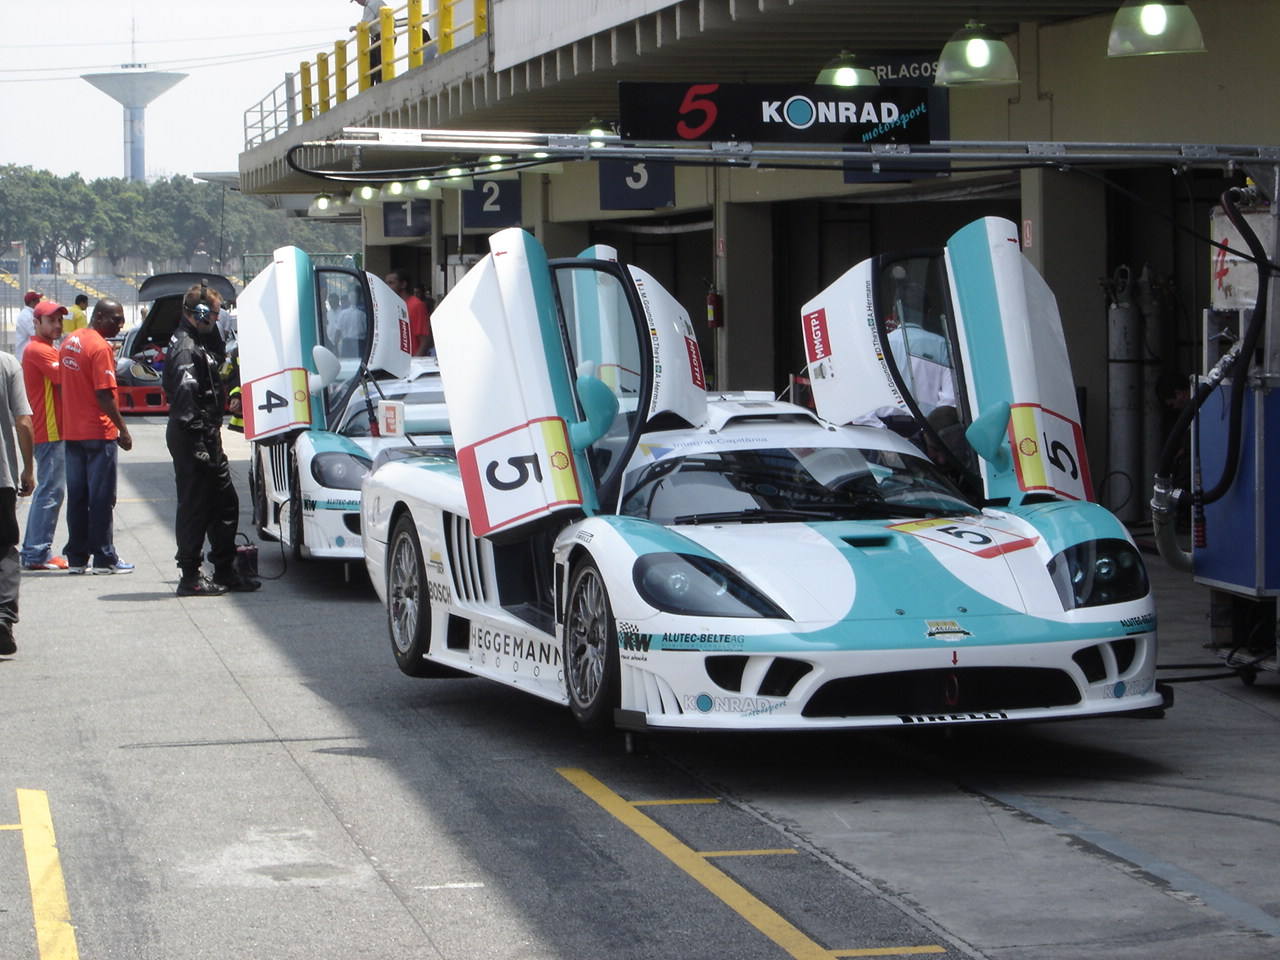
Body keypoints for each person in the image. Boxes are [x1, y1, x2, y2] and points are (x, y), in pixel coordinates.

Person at [163, 284, 260, 597]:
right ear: (201, 313)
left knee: (224, 502)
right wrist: (199, 446)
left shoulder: (200, 340)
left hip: (207, 433)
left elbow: (219, 358)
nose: (219, 320)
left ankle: (225, 569)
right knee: (195, 505)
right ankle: (190, 575)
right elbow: (185, 399)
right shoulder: (186, 348)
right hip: (193, 435)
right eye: (215, 314)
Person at [58, 298, 134, 575]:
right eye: (116, 319)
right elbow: (104, 394)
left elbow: (62, 386)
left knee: (78, 496)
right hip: (98, 433)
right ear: (99, 317)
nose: (120, 324)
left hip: (73, 432)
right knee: (101, 497)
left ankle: (77, 557)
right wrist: (123, 430)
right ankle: (103, 557)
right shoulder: (100, 347)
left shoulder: (70, 341)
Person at [20, 301, 69, 572]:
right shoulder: (40, 350)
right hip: (49, 429)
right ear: (36, 323)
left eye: (59, 320)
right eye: (51, 320)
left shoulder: (45, 349)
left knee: (50, 489)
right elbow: (67, 378)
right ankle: (37, 551)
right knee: (51, 490)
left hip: (51, 429)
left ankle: (34, 549)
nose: (57, 325)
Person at [385, 268, 431, 355]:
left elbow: (425, 341)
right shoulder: (392, 305)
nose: (387, 286)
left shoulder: (416, 305)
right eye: (386, 283)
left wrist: (415, 361)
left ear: (403, 285)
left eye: (391, 283)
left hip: (411, 358)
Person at [350, 0, 389, 84]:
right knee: (378, 61)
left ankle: (377, 83)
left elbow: (364, 25)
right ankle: (378, 82)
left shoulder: (370, 5)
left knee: (376, 62)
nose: (358, 3)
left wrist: (355, 28)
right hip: (386, 34)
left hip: (380, 35)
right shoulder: (377, 2)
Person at [15, 291, 40, 361]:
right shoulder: (27, 316)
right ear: (32, 302)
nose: (39, 302)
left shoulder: (28, 314)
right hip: (25, 356)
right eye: (37, 300)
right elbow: (36, 334)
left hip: (26, 355)